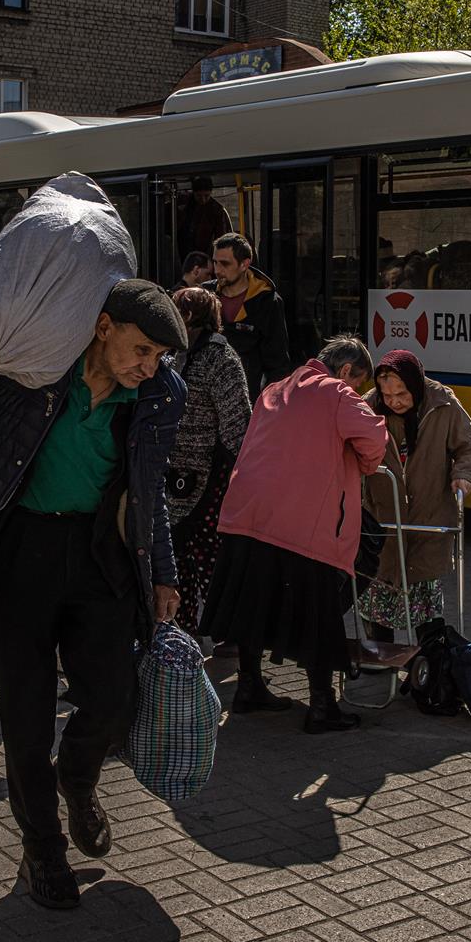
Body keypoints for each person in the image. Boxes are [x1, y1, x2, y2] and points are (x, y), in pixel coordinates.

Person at [0, 279, 186, 910]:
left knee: (114, 699)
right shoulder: (35, 364)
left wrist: (164, 573)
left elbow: (150, 493)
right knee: (26, 717)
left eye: (157, 358)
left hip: (101, 558)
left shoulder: (156, 396)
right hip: (20, 555)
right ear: (102, 327)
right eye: (141, 350)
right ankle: (43, 849)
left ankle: (79, 777)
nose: (148, 369)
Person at [202, 336, 386, 734]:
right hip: (301, 523)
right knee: (316, 612)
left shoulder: (274, 387)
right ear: (345, 371)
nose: (356, 391)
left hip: (246, 515)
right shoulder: (337, 393)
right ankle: (322, 707)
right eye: (359, 383)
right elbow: (374, 442)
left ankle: (249, 688)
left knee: (252, 605)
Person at [357, 350, 471, 633]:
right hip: (384, 518)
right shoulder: (369, 406)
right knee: (380, 585)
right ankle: (378, 655)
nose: (394, 402)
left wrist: (463, 475)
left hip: (429, 516)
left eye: (401, 394)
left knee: (424, 596)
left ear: (415, 385)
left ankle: (430, 656)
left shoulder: (442, 403)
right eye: (387, 395)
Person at [166, 287, 250, 641]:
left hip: (198, 480)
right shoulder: (178, 356)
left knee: (198, 563)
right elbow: (238, 425)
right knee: (190, 564)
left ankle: (218, 636)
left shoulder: (210, 357)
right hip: (186, 480)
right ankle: (192, 637)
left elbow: (237, 426)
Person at [207, 233, 290, 400]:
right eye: (215, 262)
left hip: (249, 400)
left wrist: (267, 407)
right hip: (208, 400)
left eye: (225, 264)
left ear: (244, 264)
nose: (217, 270)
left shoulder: (267, 302)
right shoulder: (205, 295)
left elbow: (277, 363)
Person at [178, 175, 232, 263]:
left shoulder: (217, 210)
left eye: (206, 196)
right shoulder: (184, 205)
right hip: (184, 249)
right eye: (199, 196)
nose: (203, 200)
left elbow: (222, 236)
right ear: (193, 193)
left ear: (211, 193)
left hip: (207, 253)